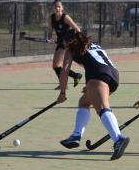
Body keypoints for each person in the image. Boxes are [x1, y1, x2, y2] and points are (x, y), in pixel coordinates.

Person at [56, 31, 130, 160]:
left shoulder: (70, 50)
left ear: (67, 42)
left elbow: (64, 71)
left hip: (97, 76)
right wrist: (93, 86)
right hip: (114, 76)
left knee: (102, 108)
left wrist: (62, 93)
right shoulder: (92, 44)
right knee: (84, 102)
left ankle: (118, 138)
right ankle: (76, 135)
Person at [47, 0, 83, 89]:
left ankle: (65, 83)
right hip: (60, 42)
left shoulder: (65, 17)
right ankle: (75, 76)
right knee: (56, 66)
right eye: (55, 7)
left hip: (66, 43)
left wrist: (74, 39)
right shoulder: (51, 18)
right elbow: (50, 31)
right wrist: (50, 38)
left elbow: (77, 29)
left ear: (62, 8)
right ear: (53, 8)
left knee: (57, 65)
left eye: (59, 6)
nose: (57, 8)